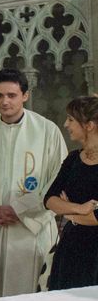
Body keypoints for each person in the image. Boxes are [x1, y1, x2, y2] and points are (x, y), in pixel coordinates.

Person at [0, 68, 67, 298]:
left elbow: (59, 179)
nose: (5, 101)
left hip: (30, 229)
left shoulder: (47, 132)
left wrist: (19, 209)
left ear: (25, 96)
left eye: (11, 95)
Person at [45, 95, 98, 290]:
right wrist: (80, 208)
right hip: (71, 248)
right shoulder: (73, 159)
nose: (65, 124)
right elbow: (49, 199)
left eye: (71, 119)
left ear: (89, 125)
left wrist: (68, 213)